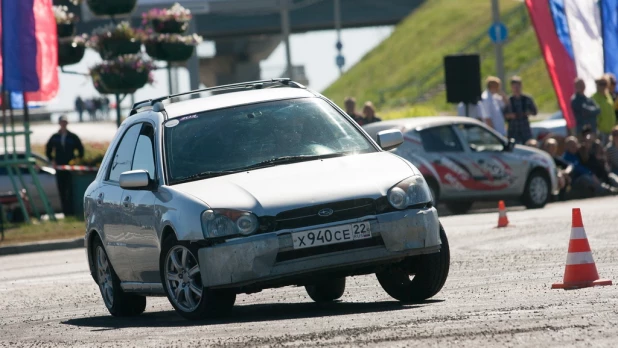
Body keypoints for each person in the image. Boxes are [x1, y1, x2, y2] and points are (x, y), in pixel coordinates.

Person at [46, 116, 84, 216]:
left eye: (65, 122)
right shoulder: (55, 137)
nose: (63, 124)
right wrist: (52, 160)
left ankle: (72, 211)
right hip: (59, 167)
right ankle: (65, 212)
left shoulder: (72, 136)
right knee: (61, 189)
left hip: (70, 167)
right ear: (59, 123)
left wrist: (76, 160)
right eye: (62, 122)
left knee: (70, 189)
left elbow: (80, 150)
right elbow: (48, 150)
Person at [507, 76, 537, 144]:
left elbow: (535, 112)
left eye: (518, 86)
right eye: (514, 87)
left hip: (525, 129)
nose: (516, 89)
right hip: (513, 129)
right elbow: (504, 114)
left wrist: (527, 113)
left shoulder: (527, 99)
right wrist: (511, 116)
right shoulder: (508, 100)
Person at [591, 76, 615, 144]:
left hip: (610, 130)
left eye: (604, 84)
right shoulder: (594, 97)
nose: (602, 86)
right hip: (600, 131)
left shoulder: (608, 96)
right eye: (600, 84)